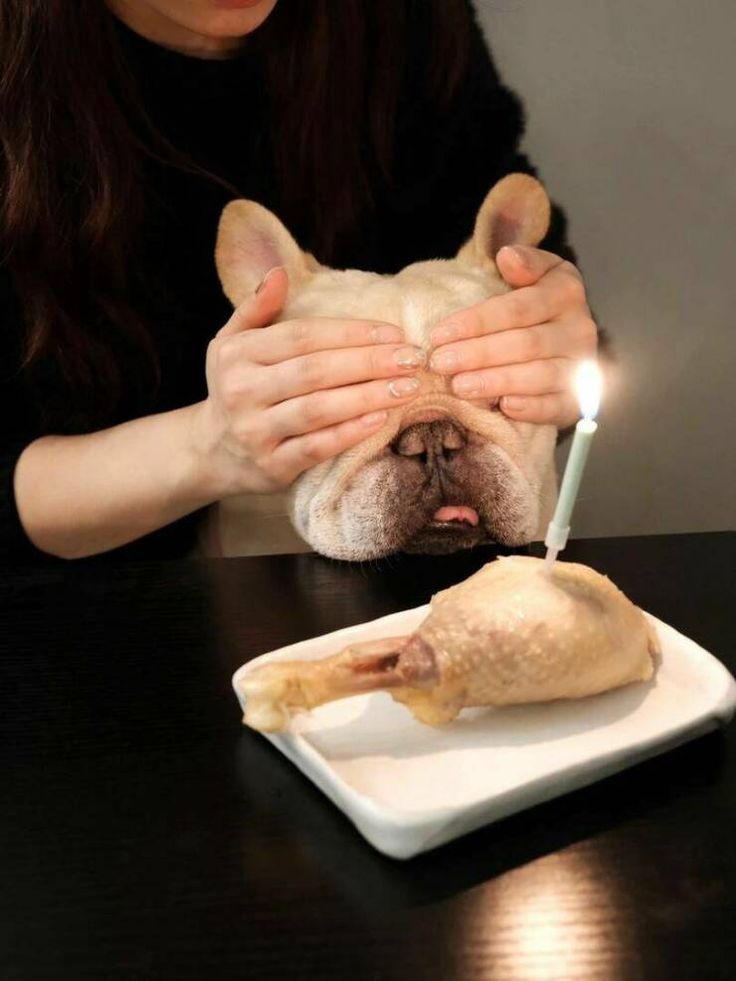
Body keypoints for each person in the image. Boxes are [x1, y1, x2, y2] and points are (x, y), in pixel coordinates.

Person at [0, 0, 597, 563]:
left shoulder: (405, 23)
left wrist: (549, 354)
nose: (429, 454)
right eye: (333, 423)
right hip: (89, 619)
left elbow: (548, 303)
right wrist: (209, 446)